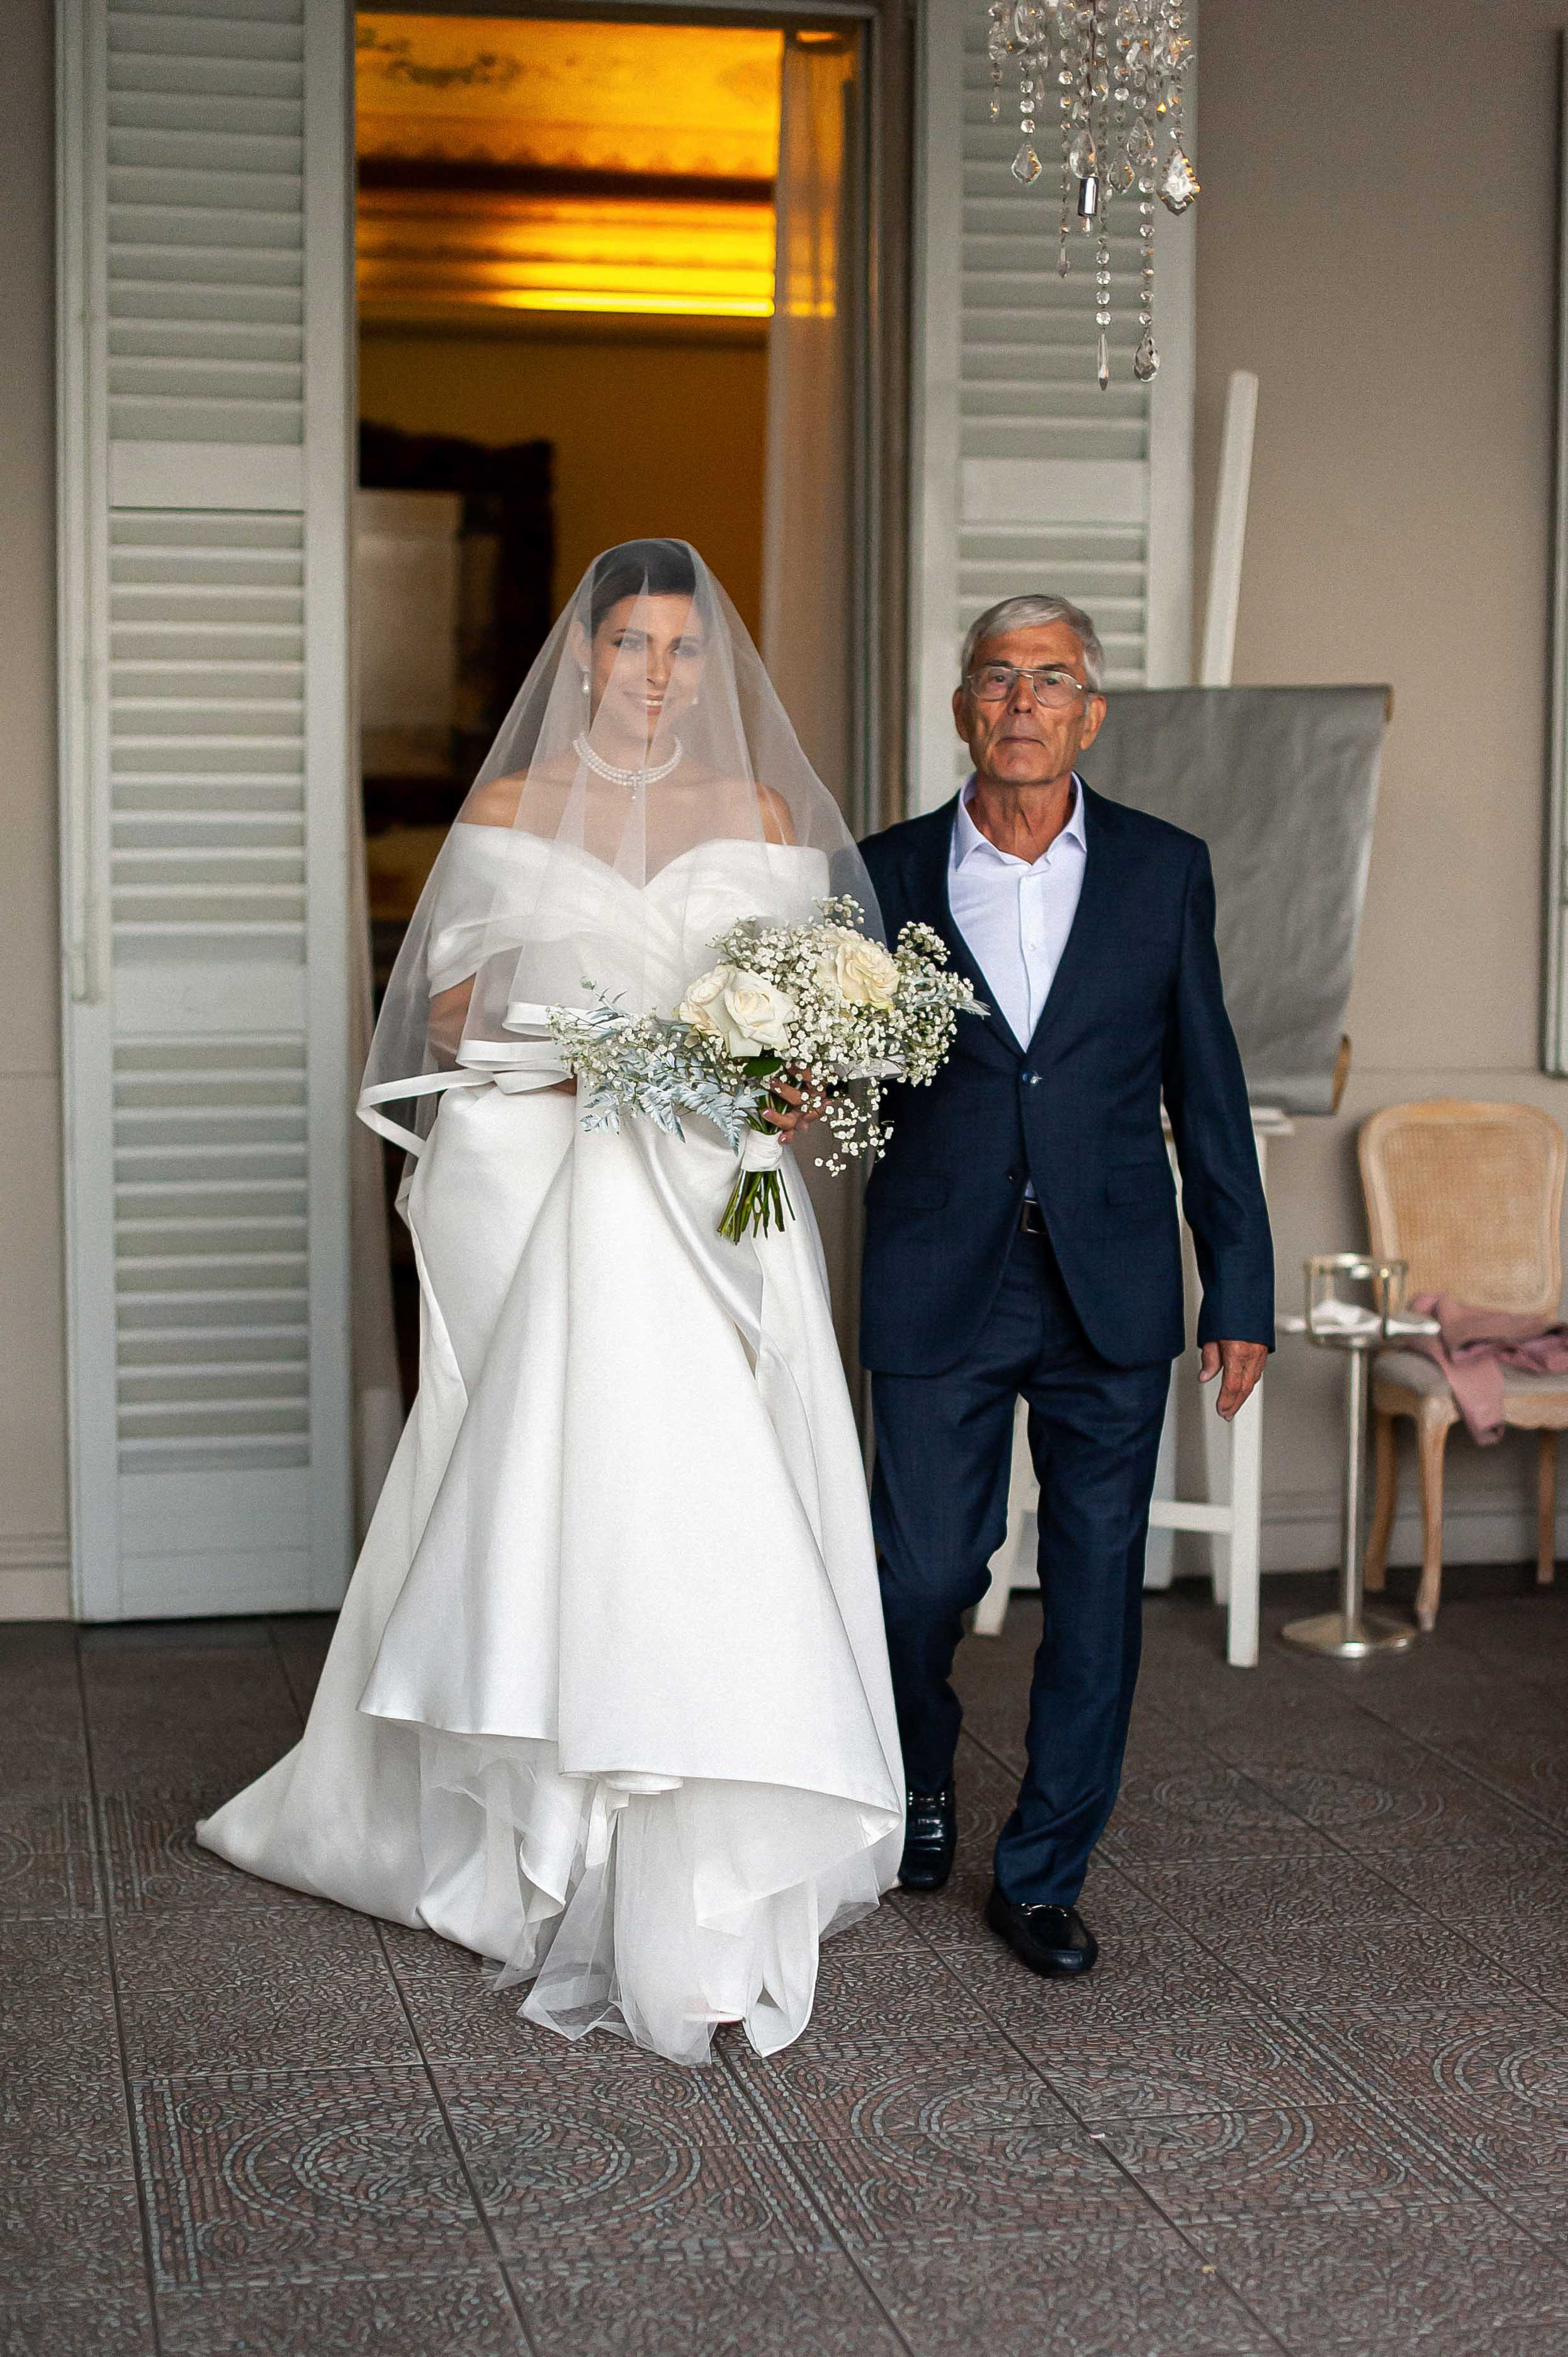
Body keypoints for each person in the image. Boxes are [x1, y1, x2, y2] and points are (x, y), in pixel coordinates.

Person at [198, 541, 904, 2066]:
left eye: (684, 650)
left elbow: (819, 1012)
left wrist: (781, 1079)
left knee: (704, 1473)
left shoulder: (763, 813)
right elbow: (446, 1009)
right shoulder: (512, 809)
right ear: (582, 656)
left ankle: (707, 1780)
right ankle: (514, 1810)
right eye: (632, 645)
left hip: (711, 1179)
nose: (657, 673)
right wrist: (567, 1024)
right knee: (524, 1466)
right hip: (533, 1165)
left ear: (714, 669)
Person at [859, 593, 1273, 1979]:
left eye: (1052, 680)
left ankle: (1041, 1872)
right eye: (997, 678)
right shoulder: (883, 874)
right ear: (962, 707)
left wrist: (1240, 1289)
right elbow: (846, 1076)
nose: (1023, 701)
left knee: (1096, 1590)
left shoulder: (1164, 870)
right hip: (939, 1273)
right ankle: (920, 1781)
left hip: (1110, 1277)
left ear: (1089, 715)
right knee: (918, 1577)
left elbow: (1203, 1090)